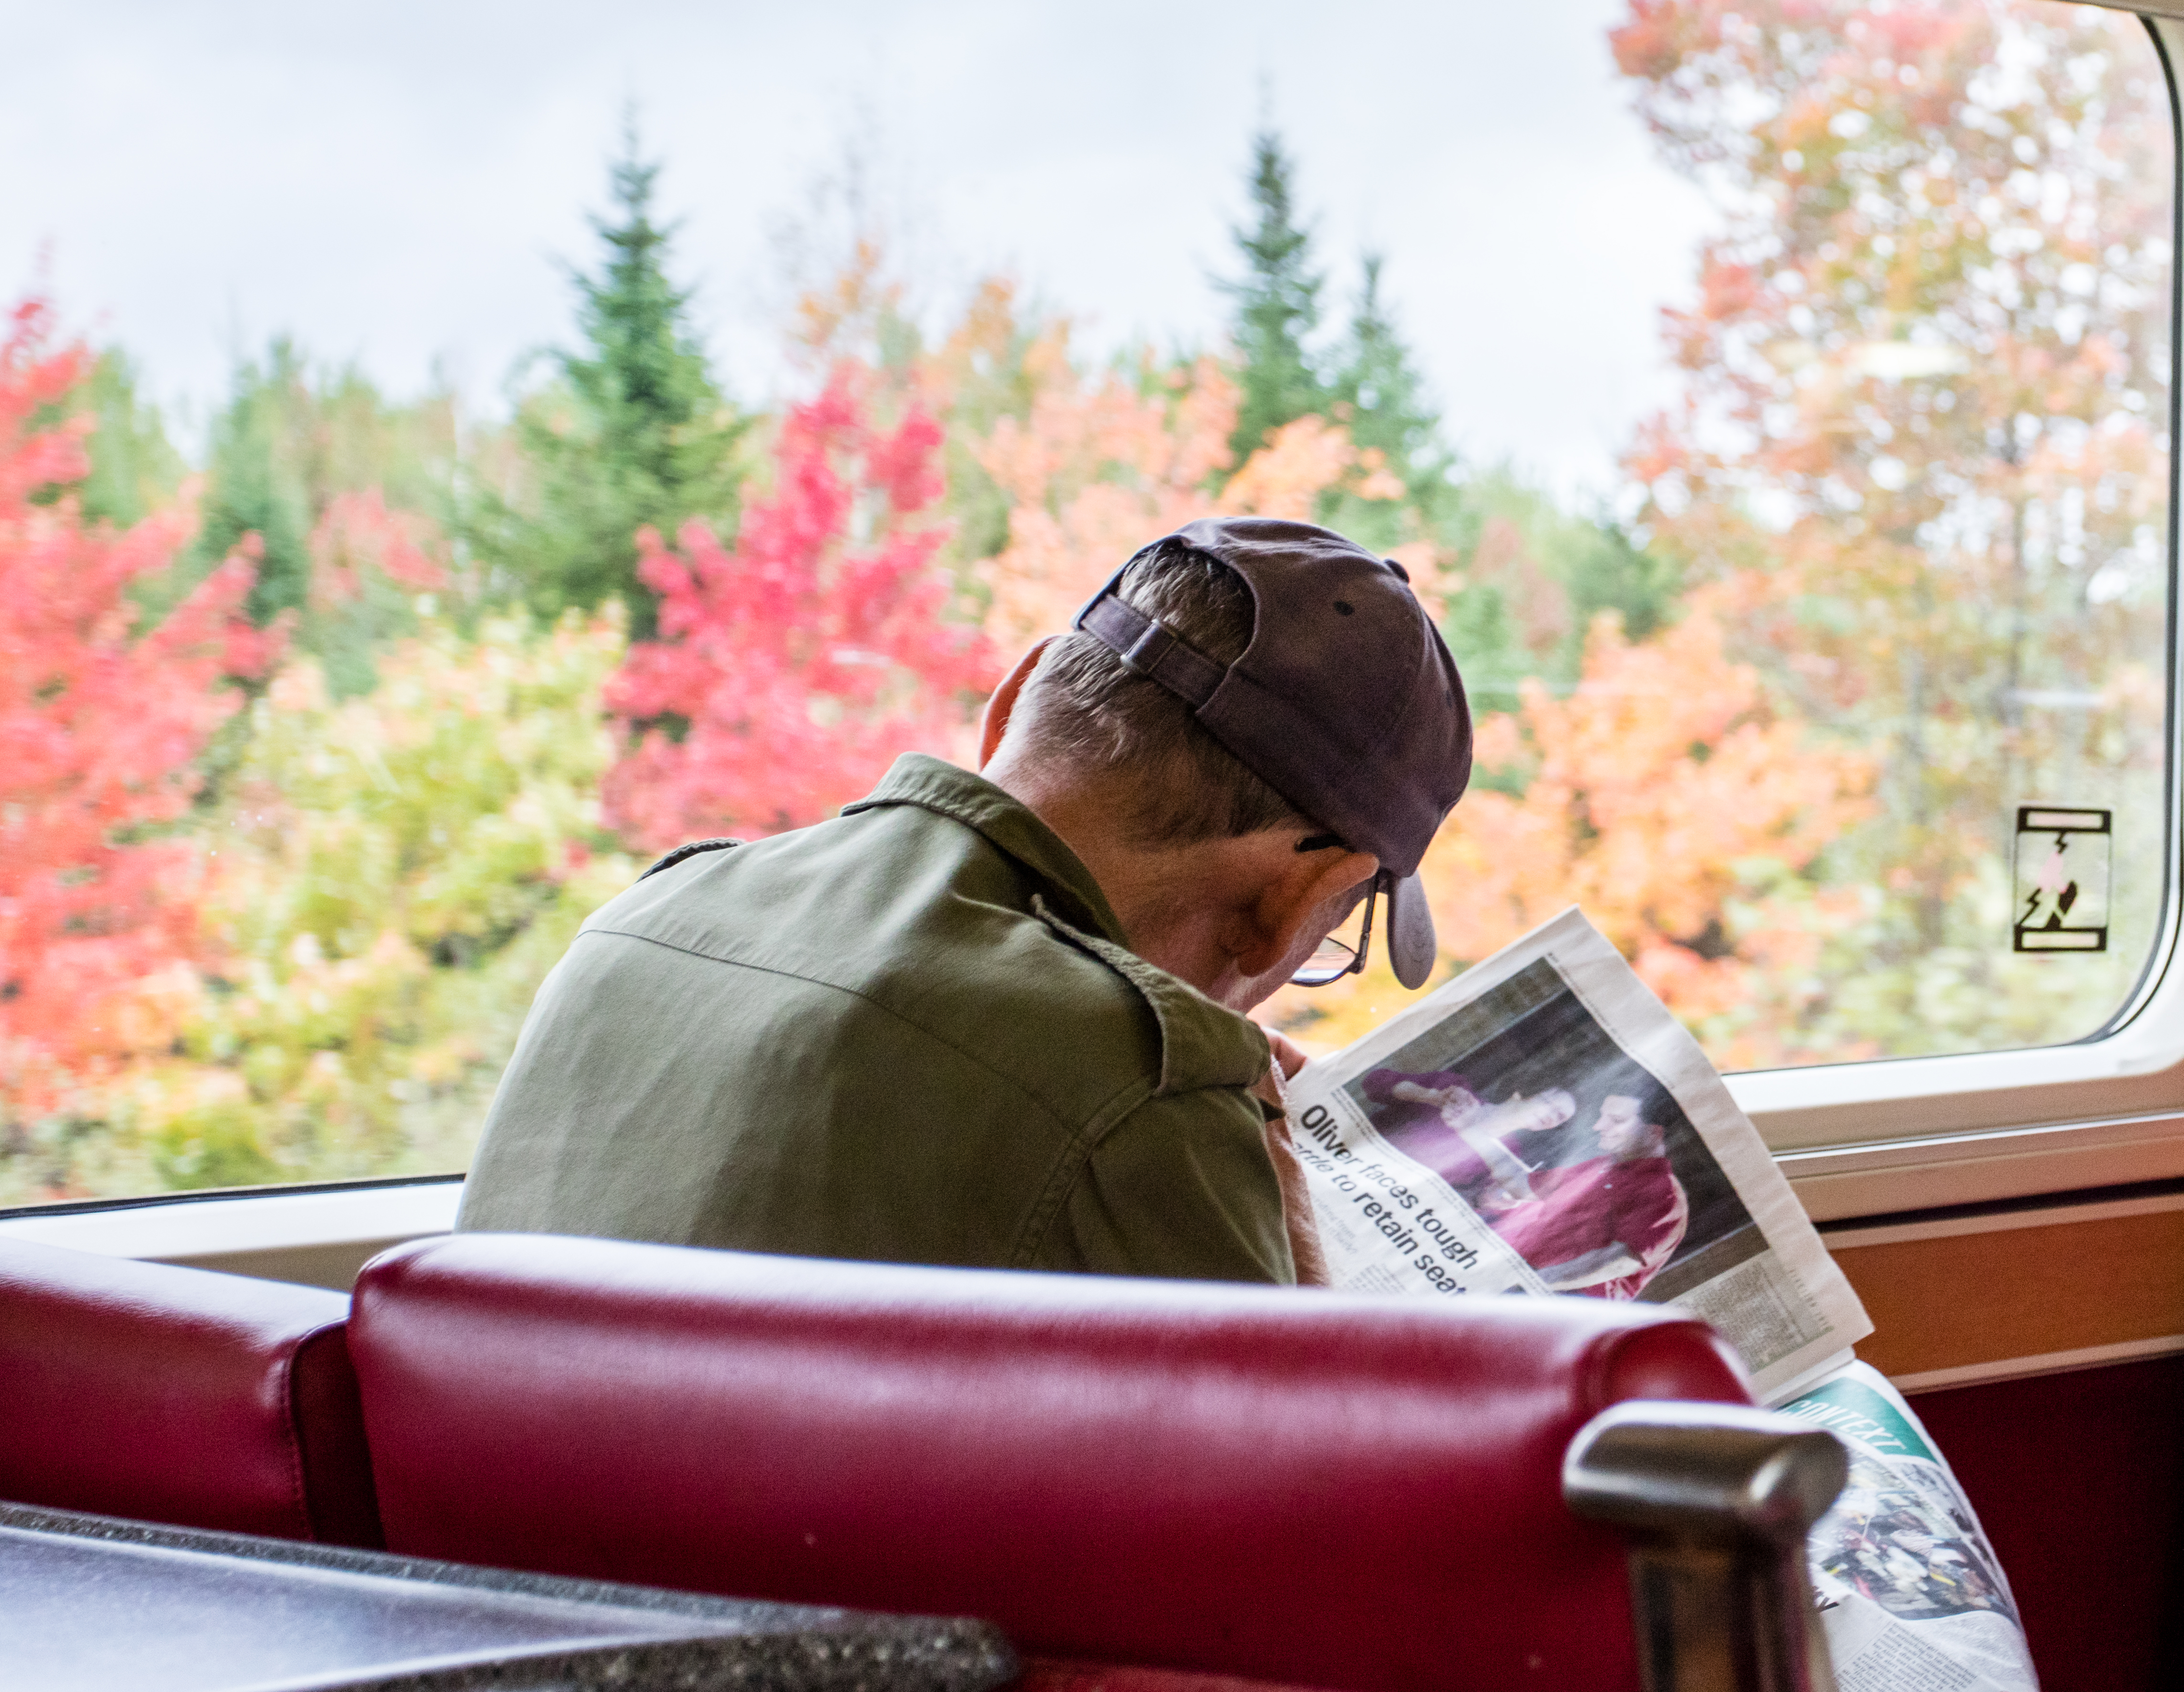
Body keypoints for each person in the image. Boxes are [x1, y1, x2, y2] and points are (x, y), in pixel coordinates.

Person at [456, 517, 1473, 1283]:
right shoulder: (1145, 1095)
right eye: (1329, 941)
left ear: (1013, 699)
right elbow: (1291, 1534)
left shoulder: (638, 923)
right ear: (1298, 901)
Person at [1483, 1090, 1690, 1301]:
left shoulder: (1665, 1194)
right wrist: (1471, 1130)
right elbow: (1521, 1185)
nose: (1598, 1127)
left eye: (1616, 1120)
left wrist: (1528, 1282)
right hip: (1523, 1282)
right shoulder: (1604, 1166)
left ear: (1654, 1133)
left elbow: (1616, 1263)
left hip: (1558, 1304)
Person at [1358, 1066, 1574, 1207]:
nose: (1551, 1116)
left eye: (1560, 1117)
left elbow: (1466, 1202)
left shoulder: (1510, 1160)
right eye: (1549, 1102)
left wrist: (1486, 1202)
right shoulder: (1455, 1089)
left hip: (1386, 1203)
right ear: (1524, 1091)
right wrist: (1432, 1096)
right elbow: (1374, 1082)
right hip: (1354, 1157)